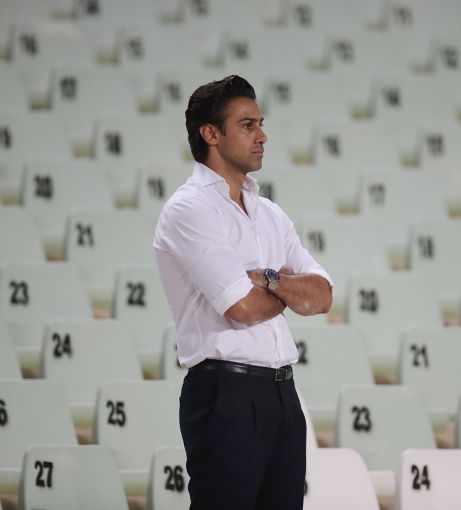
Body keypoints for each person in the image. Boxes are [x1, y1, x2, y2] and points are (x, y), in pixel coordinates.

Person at [153, 75, 333, 510]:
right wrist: (289, 291)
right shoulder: (189, 208)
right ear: (211, 134)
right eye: (248, 125)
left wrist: (269, 279)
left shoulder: (270, 212)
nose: (262, 137)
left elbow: (323, 296)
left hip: (283, 394)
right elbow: (243, 307)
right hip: (225, 393)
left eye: (260, 124)